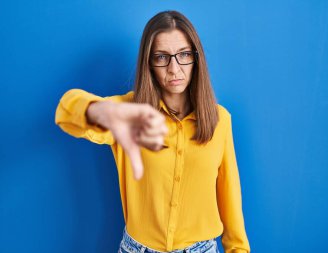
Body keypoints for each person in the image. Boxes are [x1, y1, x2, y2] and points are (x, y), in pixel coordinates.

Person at [55, 10, 250, 253]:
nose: (174, 68)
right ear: (149, 63)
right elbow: (65, 109)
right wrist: (99, 111)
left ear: (196, 58)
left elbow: (231, 201)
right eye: (161, 57)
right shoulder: (129, 113)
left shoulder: (220, 120)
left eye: (184, 55)